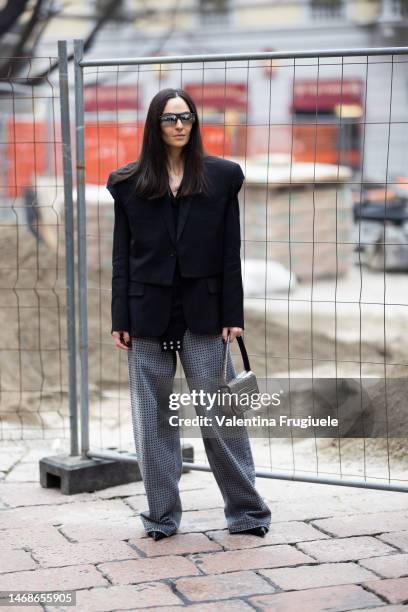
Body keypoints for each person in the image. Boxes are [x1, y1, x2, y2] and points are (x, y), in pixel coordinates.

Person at [107, 87, 271, 541]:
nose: (180, 125)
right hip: (146, 316)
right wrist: (120, 316)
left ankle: (247, 513)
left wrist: (232, 314)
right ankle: (161, 517)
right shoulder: (128, 184)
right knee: (153, 420)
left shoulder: (222, 178)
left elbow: (230, 253)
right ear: (154, 125)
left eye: (187, 117)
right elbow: (121, 256)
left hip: (205, 315)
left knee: (220, 418)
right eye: (169, 118)